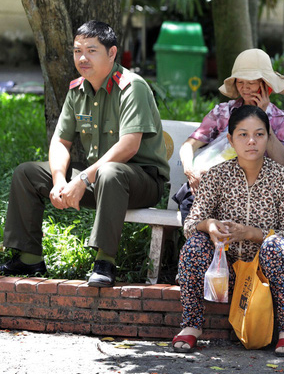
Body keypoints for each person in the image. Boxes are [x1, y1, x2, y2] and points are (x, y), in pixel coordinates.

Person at [0, 21, 169, 287]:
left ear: (112, 53)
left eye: (91, 50)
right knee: (28, 173)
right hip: (98, 179)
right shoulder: (77, 90)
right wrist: (58, 180)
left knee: (110, 172)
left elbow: (129, 146)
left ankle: (105, 261)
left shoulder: (131, 87)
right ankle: (29, 257)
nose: (82, 58)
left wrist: (82, 180)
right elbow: (60, 141)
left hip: (142, 180)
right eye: (77, 51)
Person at [173, 105, 284, 356]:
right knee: (194, 246)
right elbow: (191, 224)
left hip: (263, 275)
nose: (251, 141)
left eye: (259, 134)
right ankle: (191, 325)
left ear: (268, 137)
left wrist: (252, 233)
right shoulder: (217, 175)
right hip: (223, 275)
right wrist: (209, 225)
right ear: (230, 139)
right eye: (243, 134)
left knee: (277, 245)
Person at [175, 49, 284, 224]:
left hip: (255, 197)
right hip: (214, 189)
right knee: (196, 207)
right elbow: (189, 145)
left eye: (251, 83)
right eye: (240, 82)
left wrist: (262, 119)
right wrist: (189, 170)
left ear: (265, 84)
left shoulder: (282, 120)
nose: (245, 88)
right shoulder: (223, 112)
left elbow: (281, 160)